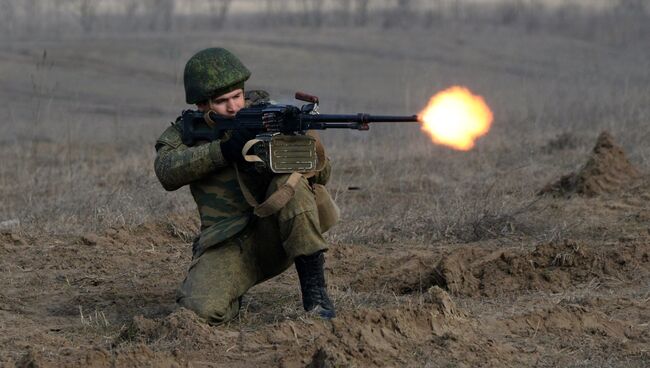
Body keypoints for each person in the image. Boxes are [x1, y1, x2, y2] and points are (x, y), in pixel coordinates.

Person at [154, 47, 336, 325]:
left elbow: (323, 178)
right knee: (199, 311)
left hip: (279, 232)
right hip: (228, 242)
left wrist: (298, 141)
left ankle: (316, 296)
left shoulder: (269, 116)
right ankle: (229, 289)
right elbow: (166, 172)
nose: (233, 107)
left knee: (291, 188)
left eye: (237, 96)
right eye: (221, 101)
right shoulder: (185, 132)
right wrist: (224, 151)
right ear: (202, 105)